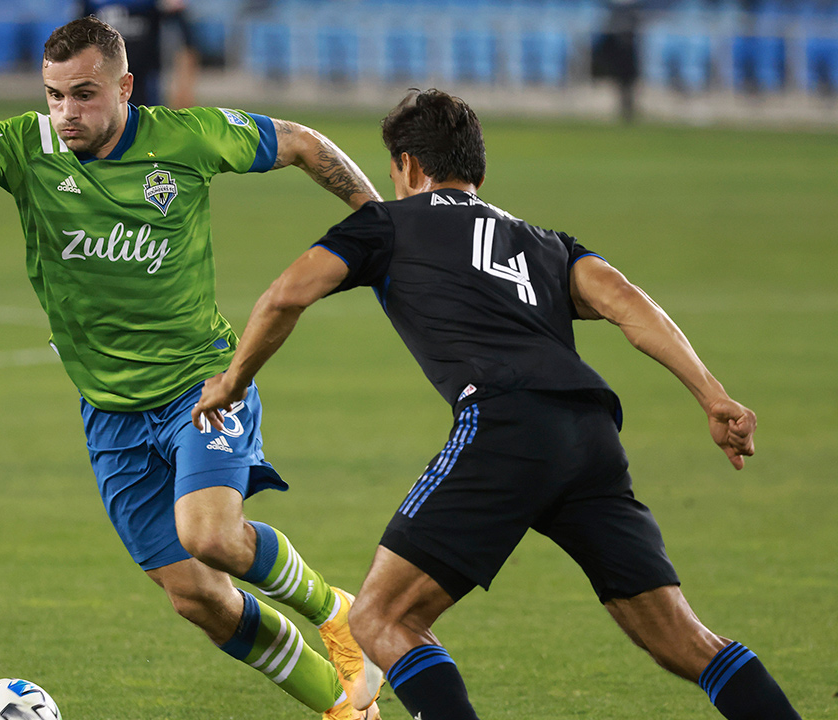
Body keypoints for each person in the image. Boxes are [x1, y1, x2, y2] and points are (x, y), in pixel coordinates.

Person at [0, 15, 386, 720]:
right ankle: (341, 705)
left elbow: (303, 143)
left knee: (209, 534)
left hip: (200, 386)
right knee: (198, 597)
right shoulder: (26, 146)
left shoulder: (187, 136)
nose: (65, 113)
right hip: (109, 413)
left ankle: (340, 613)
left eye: (83, 95)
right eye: (54, 95)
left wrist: (383, 223)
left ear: (124, 86)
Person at [192, 89, 802, 720]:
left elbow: (286, 296)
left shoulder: (387, 224)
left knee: (380, 619)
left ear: (407, 166)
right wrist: (713, 396)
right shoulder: (544, 242)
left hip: (504, 426)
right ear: (477, 173)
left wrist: (235, 380)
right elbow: (626, 301)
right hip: (590, 437)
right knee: (684, 640)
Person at [77, 0, 198, 108]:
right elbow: (81, 38)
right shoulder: (91, 4)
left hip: (145, 77)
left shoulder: (155, 4)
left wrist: (184, 83)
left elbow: (186, 41)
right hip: (105, 74)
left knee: (147, 123)